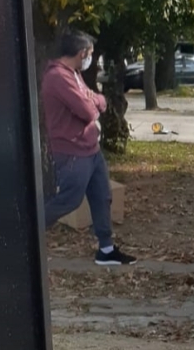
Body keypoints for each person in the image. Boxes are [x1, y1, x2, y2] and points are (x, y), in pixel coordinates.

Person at [42, 29, 137, 266]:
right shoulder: (57, 77)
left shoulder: (73, 74)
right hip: (72, 152)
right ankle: (25, 233)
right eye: (90, 54)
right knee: (69, 200)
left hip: (91, 150)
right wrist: (94, 103)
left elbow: (94, 98)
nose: (91, 59)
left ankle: (106, 250)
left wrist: (94, 101)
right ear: (81, 52)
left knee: (102, 197)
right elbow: (87, 110)